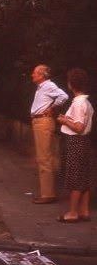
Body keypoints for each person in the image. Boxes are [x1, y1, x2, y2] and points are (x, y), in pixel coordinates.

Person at [56, 68, 94, 223]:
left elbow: (78, 128)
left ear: (71, 84)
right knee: (84, 177)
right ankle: (84, 211)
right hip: (85, 142)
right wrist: (68, 119)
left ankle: (72, 212)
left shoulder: (78, 103)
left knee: (75, 178)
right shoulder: (87, 102)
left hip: (76, 142)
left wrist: (64, 121)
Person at [30, 64, 69, 204]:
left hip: (43, 122)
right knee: (43, 157)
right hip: (39, 121)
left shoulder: (48, 85)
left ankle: (48, 194)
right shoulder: (42, 87)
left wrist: (52, 108)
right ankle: (46, 192)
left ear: (42, 75)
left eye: (35, 73)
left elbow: (63, 96)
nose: (32, 75)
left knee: (45, 158)